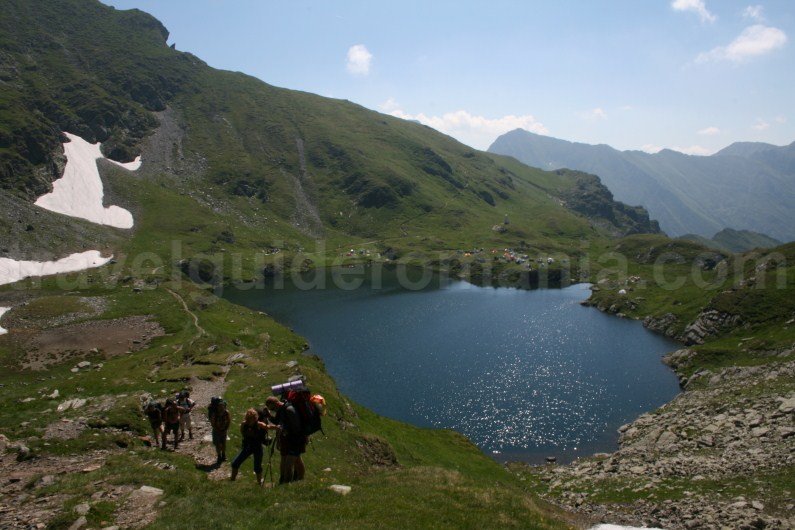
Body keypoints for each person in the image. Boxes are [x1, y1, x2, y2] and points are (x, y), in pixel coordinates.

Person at [266, 396, 308, 484]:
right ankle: (299, 480)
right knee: (296, 460)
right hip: (288, 439)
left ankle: (286, 483)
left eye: (273, 408)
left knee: (289, 464)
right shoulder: (281, 410)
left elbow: (297, 427)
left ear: (277, 403)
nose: (273, 410)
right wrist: (269, 416)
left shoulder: (289, 409)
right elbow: (278, 422)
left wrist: (286, 430)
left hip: (296, 439)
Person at [230, 408, 276, 485]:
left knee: (257, 467)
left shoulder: (259, 424)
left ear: (256, 417)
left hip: (257, 447)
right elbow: (243, 434)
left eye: (254, 417)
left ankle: (259, 483)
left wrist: (277, 427)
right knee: (235, 463)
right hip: (247, 447)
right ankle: (232, 479)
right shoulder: (244, 424)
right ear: (247, 417)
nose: (252, 419)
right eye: (250, 417)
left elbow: (268, 427)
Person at [209, 397, 231, 462]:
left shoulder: (226, 412)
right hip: (217, 431)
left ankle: (223, 455)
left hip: (224, 431)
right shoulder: (214, 414)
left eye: (223, 406)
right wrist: (218, 430)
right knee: (218, 444)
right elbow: (212, 424)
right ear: (218, 407)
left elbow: (229, 421)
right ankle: (219, 456)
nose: (222, 408)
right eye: (220, 406)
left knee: (224, 444)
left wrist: (226, 429)